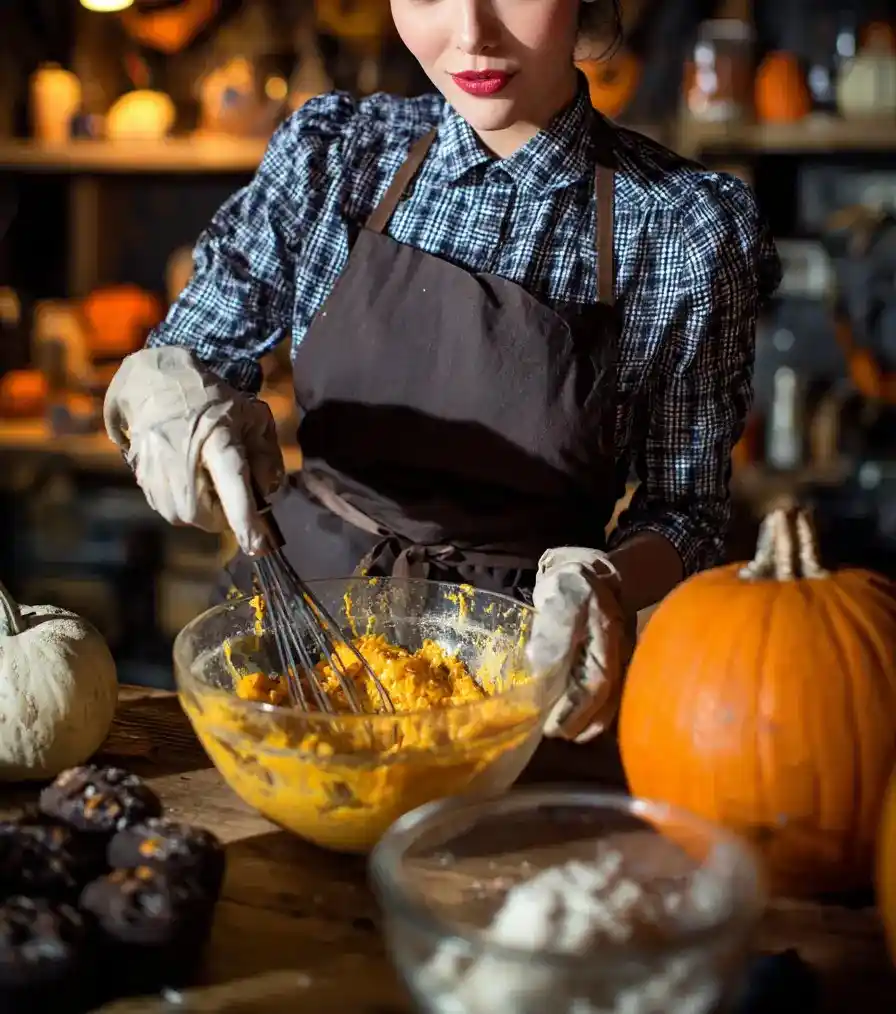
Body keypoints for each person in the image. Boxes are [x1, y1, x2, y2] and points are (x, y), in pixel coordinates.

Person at [104, 0, 781, 744]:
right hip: (285, 634)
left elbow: (686, 513)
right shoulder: (339, 154)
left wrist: (608, 587)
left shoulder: (683, 229)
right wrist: (177, 402)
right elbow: (196, 347)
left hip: (509, 676)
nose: (471, 36)